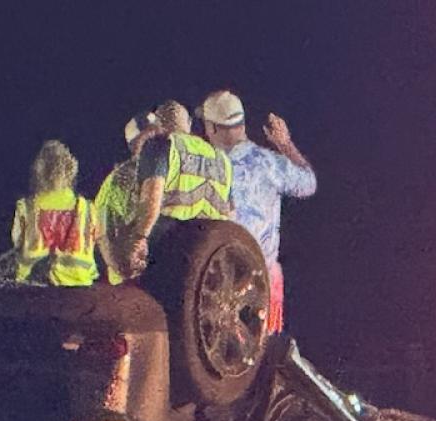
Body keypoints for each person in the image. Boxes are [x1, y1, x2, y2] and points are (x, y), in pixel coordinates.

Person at [199, 90, 316, 335]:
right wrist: (285, 144)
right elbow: (308, 183)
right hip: (262, 282)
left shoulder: (206, 166)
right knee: (263, 348)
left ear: (213, 128)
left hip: (215, 283)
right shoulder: (269, 163)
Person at [126, 100, 234, 278]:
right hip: (212, 252)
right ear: (189, 123)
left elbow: (152, 198)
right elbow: (230, 213)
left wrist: (139, 238)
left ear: (158, 124)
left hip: (171, 246)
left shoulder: (160, 145)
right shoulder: (222, 159)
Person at [9, 140, 100, 286]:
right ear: (70, 170)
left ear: (39, 171)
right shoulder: (88, 208)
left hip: (33, 285)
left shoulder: (26, 206)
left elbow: (17, 242)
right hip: (78, 285)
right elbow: (94, 242)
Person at [94, 112, 158, 285]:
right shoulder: (120, 179)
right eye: (149, 137)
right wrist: (123, 271)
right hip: (132, 283)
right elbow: (104, 230)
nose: (156, 143)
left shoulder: (165, 171)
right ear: (134, 145)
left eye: (159, 136)